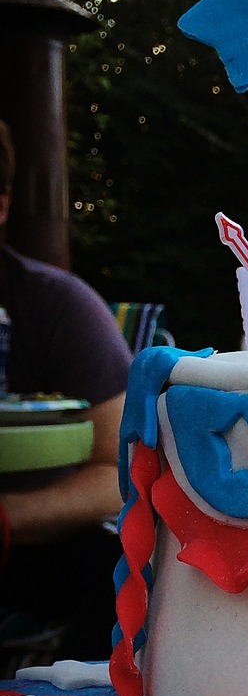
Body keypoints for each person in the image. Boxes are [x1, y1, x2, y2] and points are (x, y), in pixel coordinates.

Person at [0, 120, 133, 660]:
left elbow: (123, 469)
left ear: (2, 205)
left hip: (32, 557)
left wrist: (6, 519)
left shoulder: (54, 306)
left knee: (113, 562)